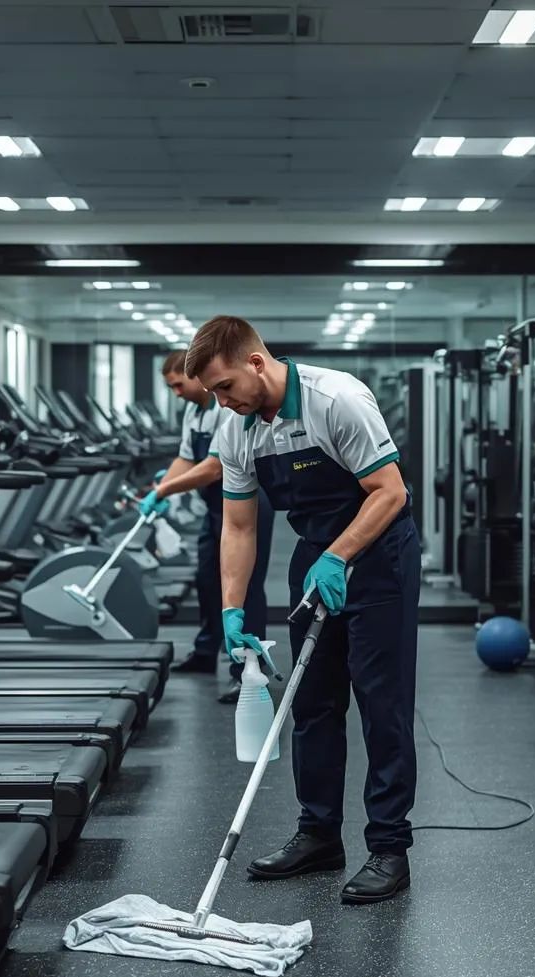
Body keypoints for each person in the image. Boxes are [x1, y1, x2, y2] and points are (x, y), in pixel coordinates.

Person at [185, 315, 421, 905]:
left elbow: (391, 492)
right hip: (317, 551)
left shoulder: (335, 400)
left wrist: (342, 557)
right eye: (213, 392)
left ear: (256, 363)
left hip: (378, 551)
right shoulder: (237, 425)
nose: (221, 400)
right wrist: (231, 611)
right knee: (312, 702)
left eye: (225, 386)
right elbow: (237, 525)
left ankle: (389, 848)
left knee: (380, 701)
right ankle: (319, 834)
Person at [139, 349, 274, 705]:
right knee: (206, 579)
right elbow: (187, 458)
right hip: (214, 506)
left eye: (179, 385)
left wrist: (167, 488)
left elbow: (214, 466)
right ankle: (205, 651)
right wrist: (159, 491)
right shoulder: (192, 411)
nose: (176, 393)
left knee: (243, 587)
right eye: (171, 388)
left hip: (247, 504)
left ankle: (245, 671)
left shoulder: (224, 409)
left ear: (198, 377)